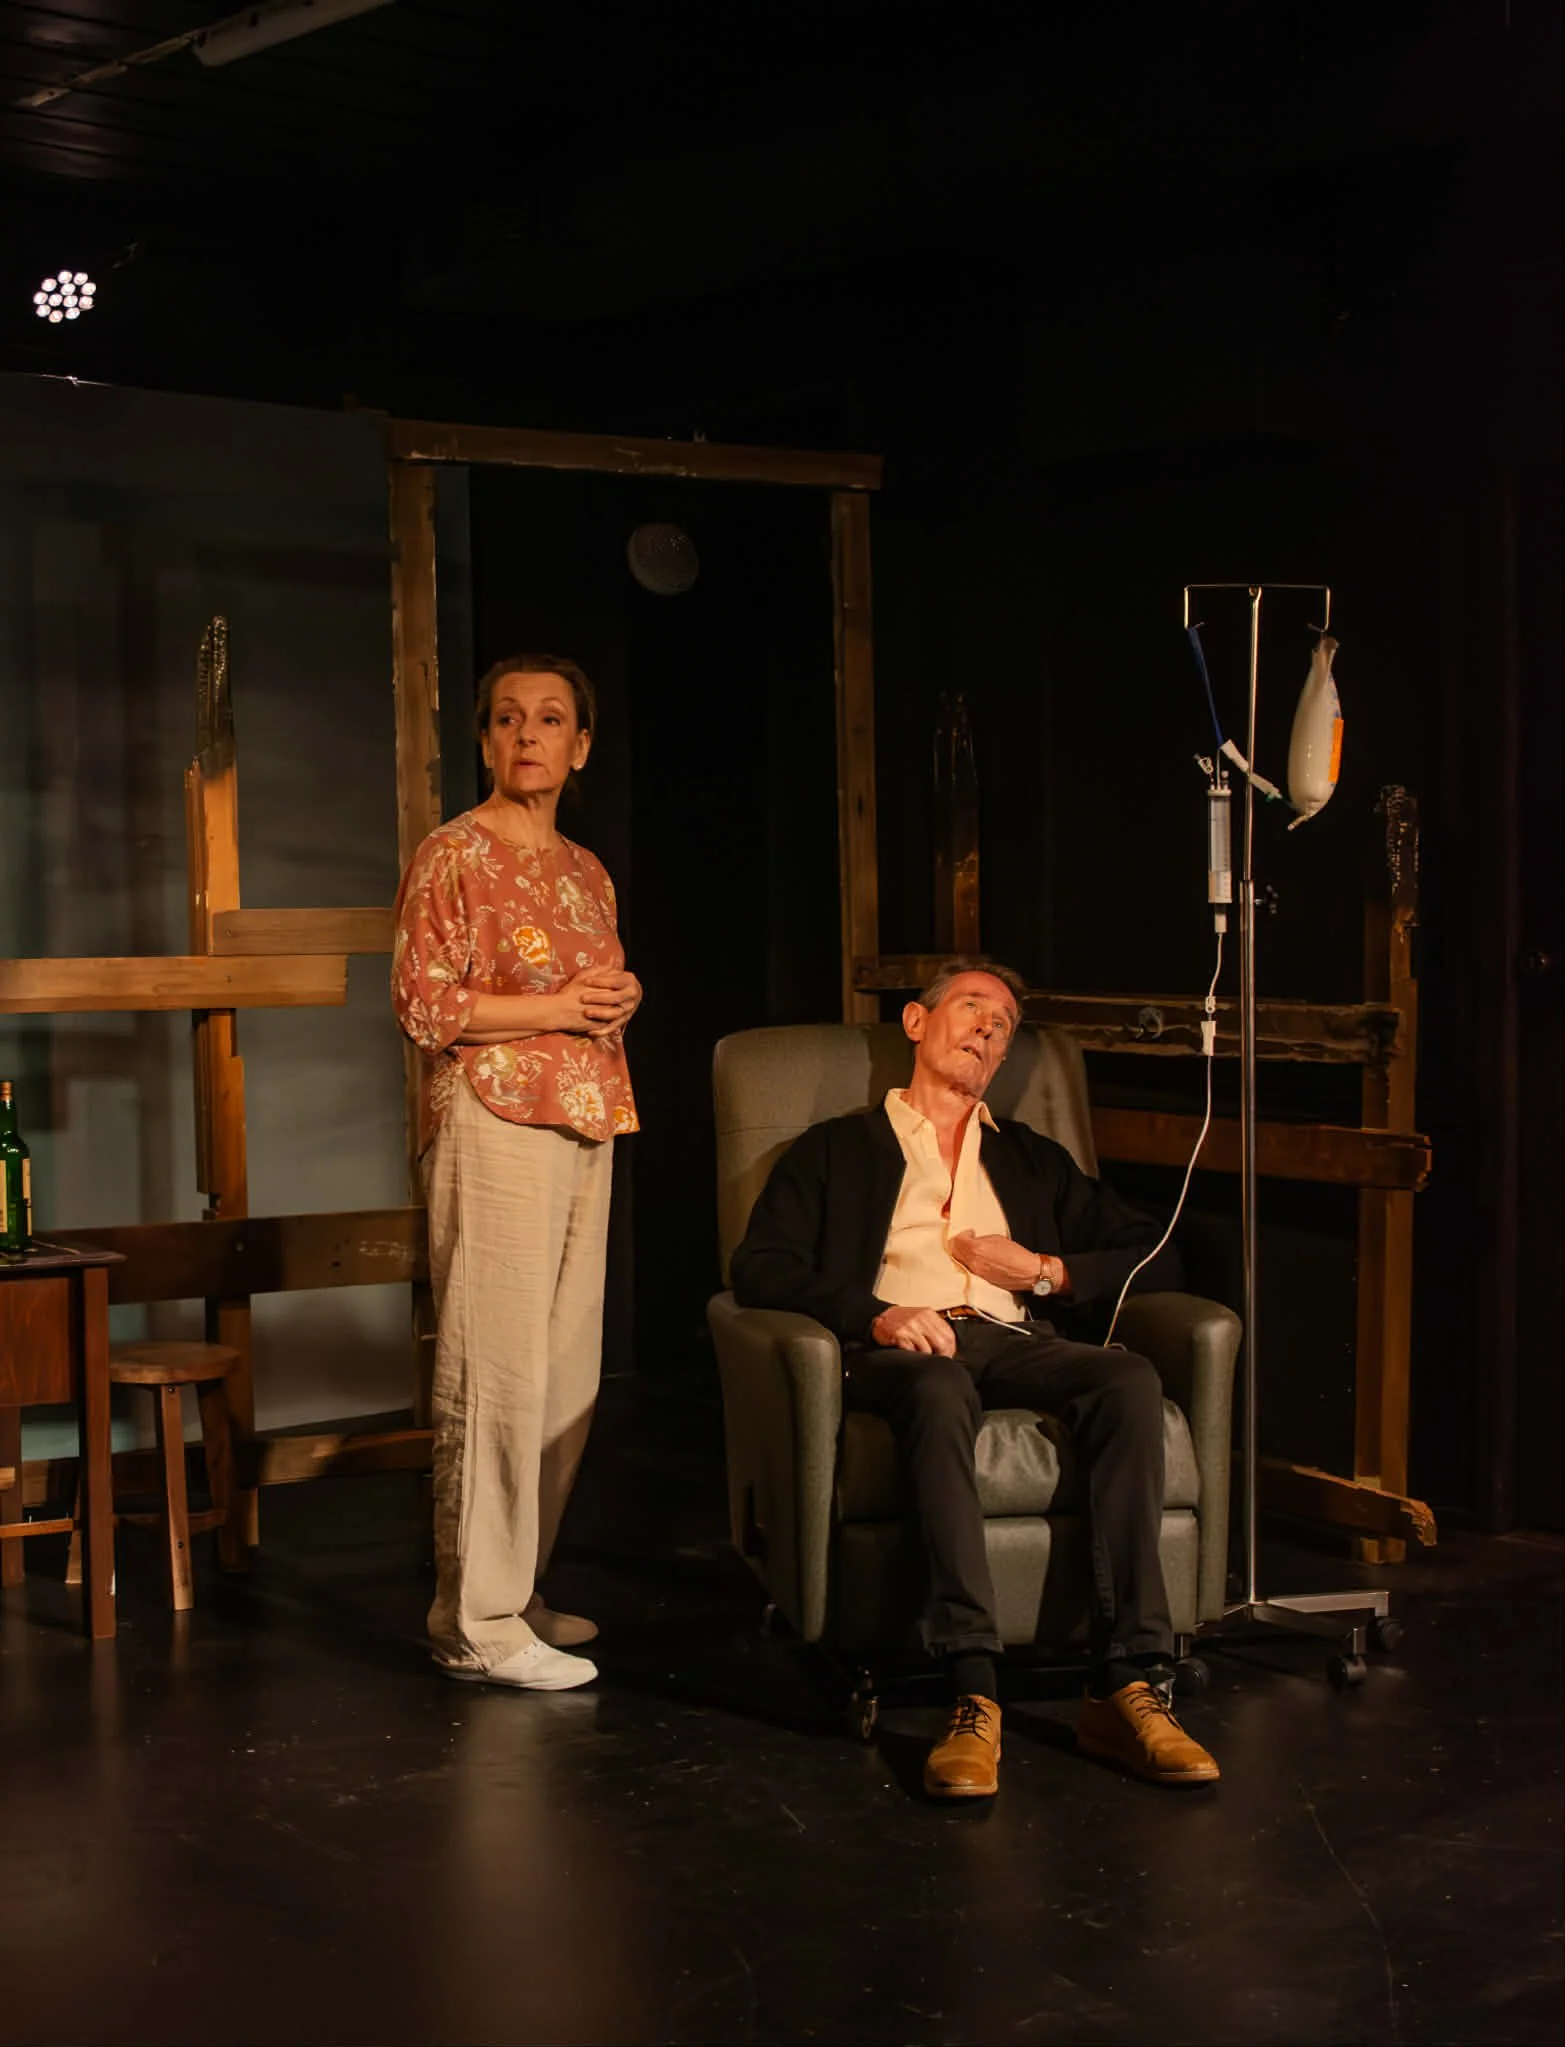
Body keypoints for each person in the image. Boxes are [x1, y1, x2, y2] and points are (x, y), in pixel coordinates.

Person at [730, 957, 1219, 1796]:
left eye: (1004, 1023)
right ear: (917, 1025)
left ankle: (1128, 1681)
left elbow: (1157, 1246)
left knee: (1127, 1379)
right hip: (903, 1348)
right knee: (936, 1386)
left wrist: (1047, 1272)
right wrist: (875, 1314)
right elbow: (759, 1267)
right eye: (971, 1006)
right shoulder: (837, 1149)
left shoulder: (1028, 1157)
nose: (990, 1026)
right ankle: (973, 1689)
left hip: (1012, 1333)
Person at [392, 653, 641, 1692]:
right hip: (493, 1117)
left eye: (550, 719)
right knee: (493, 1368)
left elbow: (595, 986)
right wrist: (555, 1011)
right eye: (507, 718)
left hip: (585, 1115)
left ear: (579, 747)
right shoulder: (451, 853)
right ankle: (476, 1619)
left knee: (562, 1372)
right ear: (487, 742)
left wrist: (619, 997)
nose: (527, 734)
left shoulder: (586, 868)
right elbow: (426, 1004)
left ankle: (518, 1586)